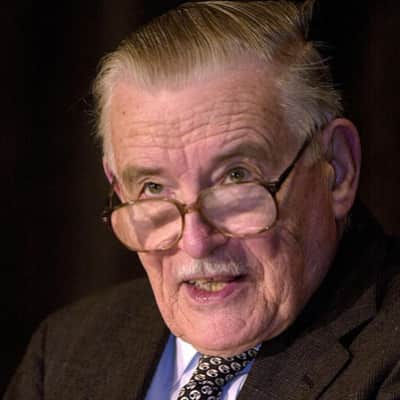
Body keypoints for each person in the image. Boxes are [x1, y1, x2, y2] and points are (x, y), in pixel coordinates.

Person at [6, 1, 399, 399]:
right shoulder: (63, 351)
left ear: (337, 169)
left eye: (236, 177)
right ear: (120, 192)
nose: (195, 242)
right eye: (153, 188)